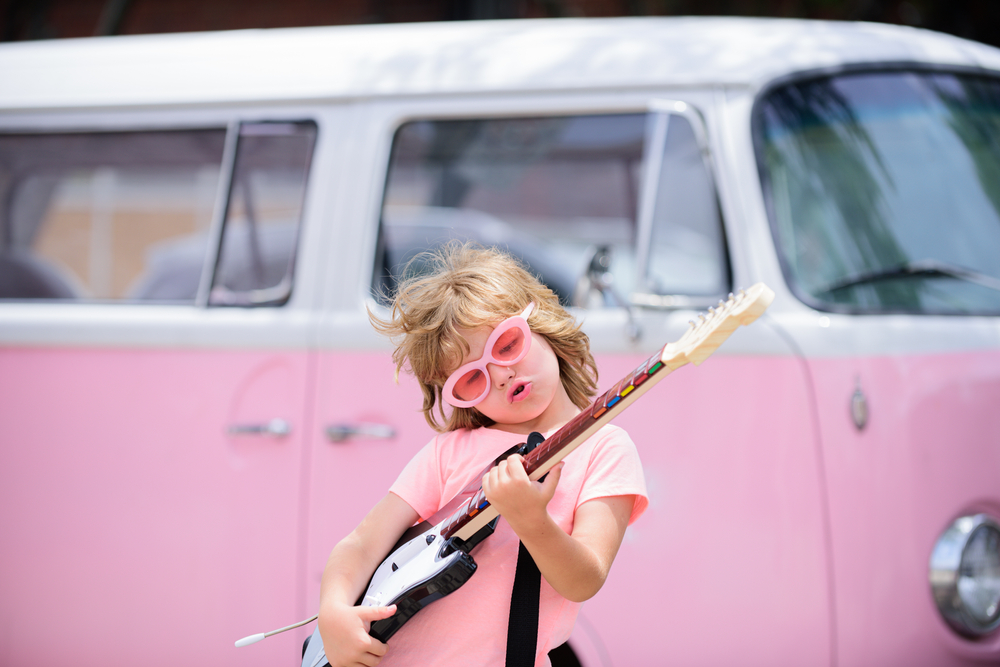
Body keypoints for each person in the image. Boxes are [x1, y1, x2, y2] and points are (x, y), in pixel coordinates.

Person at [315, 242, 647, 667]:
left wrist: (531, 520)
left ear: (540, 322)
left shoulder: (604, 447)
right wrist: (333, 613)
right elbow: (360, 545)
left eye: (506, 344)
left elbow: (584, 579)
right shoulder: (448, 453)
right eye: (472, 379)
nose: (501, 374)